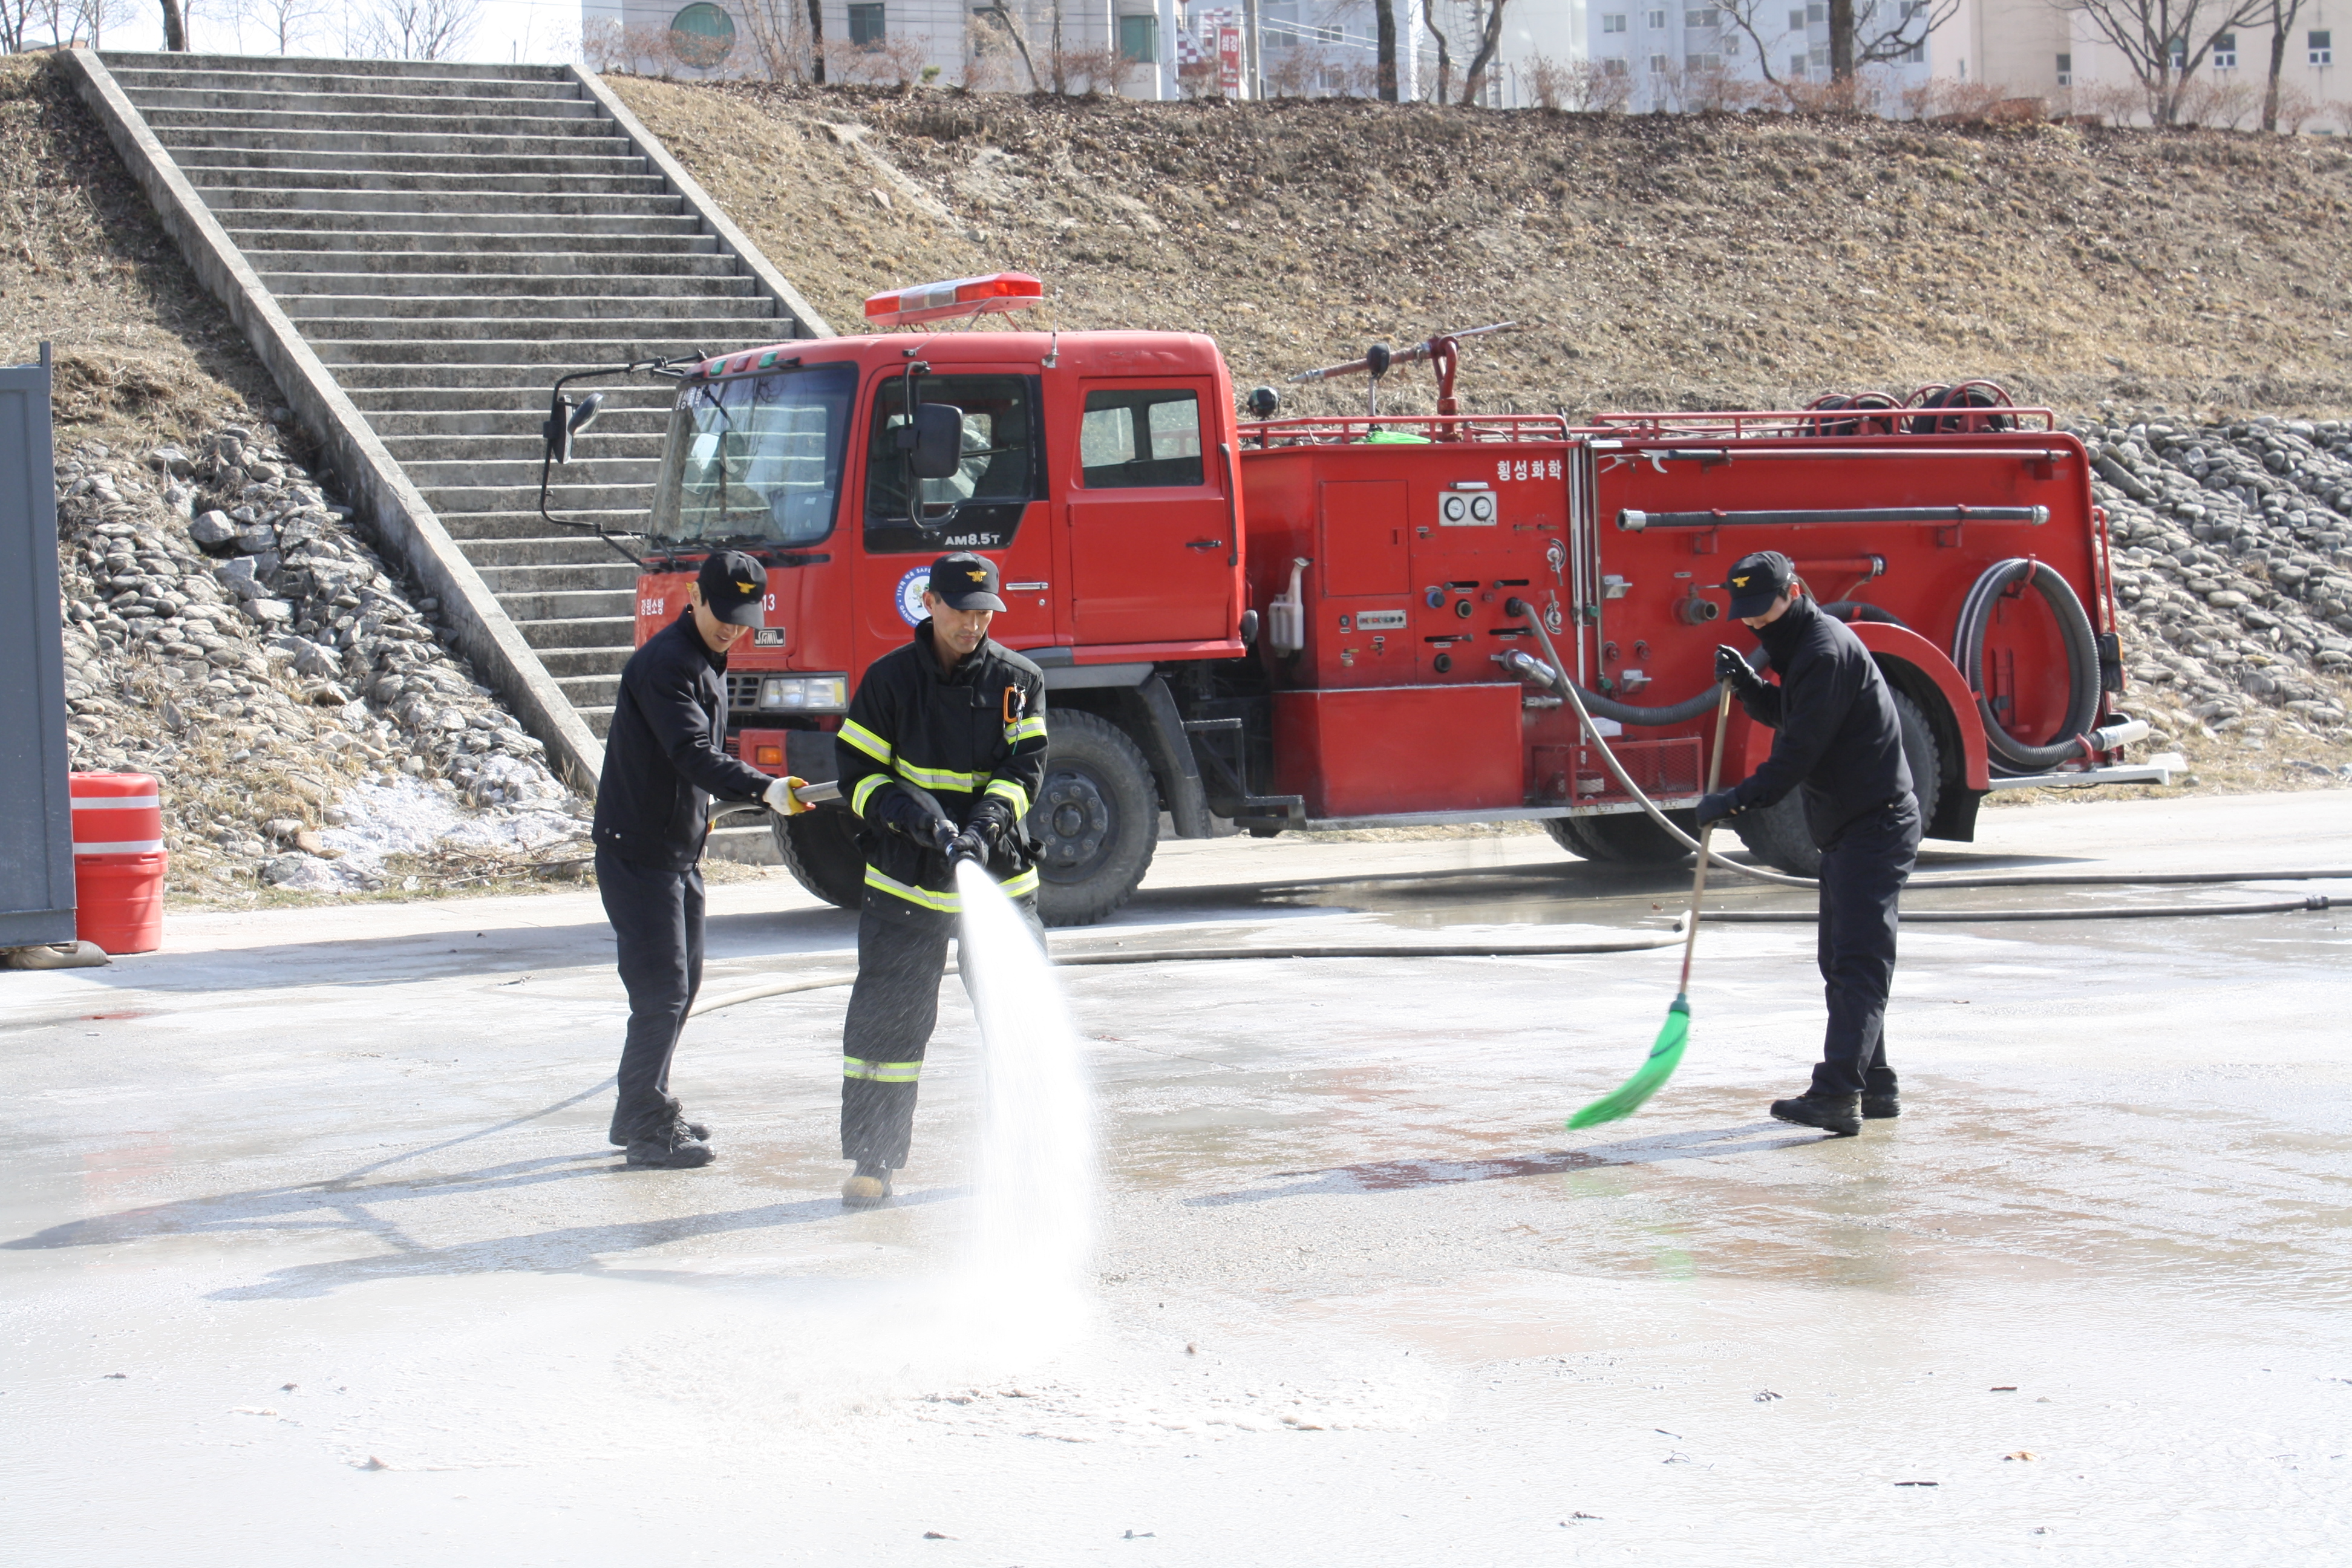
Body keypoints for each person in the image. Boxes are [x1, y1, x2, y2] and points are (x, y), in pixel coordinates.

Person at [832, 552, 1048, 1208]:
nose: (973, 625)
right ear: (929, 604)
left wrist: (983, 828)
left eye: (984, 613)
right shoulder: (889, 682)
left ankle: (1027, 1154)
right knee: (887, 1029)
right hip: (907, 883)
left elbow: (1026, 771)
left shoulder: (1020, 681)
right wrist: (917, 824)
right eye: (961, 610)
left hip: (997, 882)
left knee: (1019, 1022)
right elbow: (859, 777)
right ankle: (874, 1161)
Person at [1694, 549, 1919, 1138]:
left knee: (1857, 965)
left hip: (1876, 825)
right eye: (1746, 614)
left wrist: (1734, 801)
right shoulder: (1804, 649)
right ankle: (1875, 1083)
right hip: (1849, 829)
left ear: (1793, 592)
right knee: (1841, 963)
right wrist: (1750, 687)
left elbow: (1797, 754)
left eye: (1763, 611)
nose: (1755, 623)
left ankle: (1837, 1094)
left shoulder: (1823, 651)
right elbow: (1798, 717)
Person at [593, 549, 805, 1169]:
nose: (732, 629)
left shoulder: (707, 660)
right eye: (723, 615)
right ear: (694, 597)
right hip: (640, 854)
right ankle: (646, 1128)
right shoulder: (667, 664)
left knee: (682, 989)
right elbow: (690, 752)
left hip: (677, 851)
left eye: (743, 620)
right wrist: (764, 789)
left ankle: (640, 1106)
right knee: (661, 992)